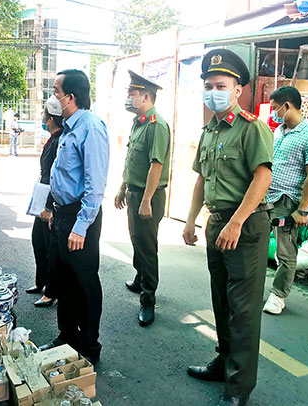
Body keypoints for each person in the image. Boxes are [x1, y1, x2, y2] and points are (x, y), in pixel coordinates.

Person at [182, 49, 274, 406]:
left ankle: (238, 391)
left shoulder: (252, 128)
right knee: (221, 303)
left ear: (238, 90)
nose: (213, 90)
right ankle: (223, 363)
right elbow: (201, 179)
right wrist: (191, 219)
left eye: (221, 85)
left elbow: (262, 176)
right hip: (217, 225)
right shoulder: (209, 131)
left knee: (243, 312)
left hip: (245, 227)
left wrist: (237, 221)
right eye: (208, 85)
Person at [38, 69, 110, 366]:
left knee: (84, 283)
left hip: (82, 219)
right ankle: (66, 336)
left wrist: (80, 227)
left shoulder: (91, 128)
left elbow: (95, 185)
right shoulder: (69, 128)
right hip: (62, 215)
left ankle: (90, 345)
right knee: (64, 281)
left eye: (56, 91)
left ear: (71, 97)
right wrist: (54, 211)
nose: (53, 96)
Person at [114, 70, 170, 327]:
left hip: (149, 195)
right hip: (135, 192)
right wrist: (122, 187)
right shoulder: (138, 123)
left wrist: (146, 199)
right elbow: (132, 161)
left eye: (131, 94)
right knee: (136, 238)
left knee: (147, 248)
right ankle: (140, 278)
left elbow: (155, 166)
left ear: (146, 97)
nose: (128, 97)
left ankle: (148, 300)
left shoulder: (156, 125)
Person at [263, 86, 308, 315]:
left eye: (274, 108)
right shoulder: (278, 132)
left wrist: (303, 210)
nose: (273, 113)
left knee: (285, 252)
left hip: (288, 201)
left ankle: (278, 296)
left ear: (286, 106)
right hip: (267, 197)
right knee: (257, 244)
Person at [26, 95, 65, 307]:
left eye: (44, 114)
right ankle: (40, 282)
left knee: (50, 248)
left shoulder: (60, 140)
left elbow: (55, 177)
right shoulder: (53, 138)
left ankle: (51, 291)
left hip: (51, 200)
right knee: (38, 242)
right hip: (42, 196)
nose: (43, 117)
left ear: (50, 119)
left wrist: (49, 207)